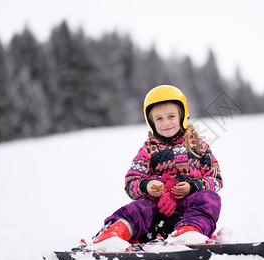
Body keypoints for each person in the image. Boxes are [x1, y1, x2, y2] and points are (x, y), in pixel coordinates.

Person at [87, 85, 223, 249]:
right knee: (138, 208)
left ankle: (189, 232)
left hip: (187, 213)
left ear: (182, 115)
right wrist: (148, 186)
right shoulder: (148, 150)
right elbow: (131, 182)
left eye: (171, 116)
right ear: (151, 122)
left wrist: (192, 187)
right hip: (155, 216)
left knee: (209, 198)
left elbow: (215, 179)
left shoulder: (199, 146)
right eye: (159, 119)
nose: (166, 123)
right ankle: (114, 233)